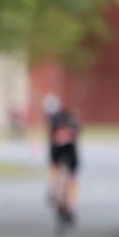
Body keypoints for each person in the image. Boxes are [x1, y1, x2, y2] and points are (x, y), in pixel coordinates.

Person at [42, 93, 81, 225]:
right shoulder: (71, 118)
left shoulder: (52, 120)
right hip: (70, 150)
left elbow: (51, 139)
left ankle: (52, 189)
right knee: (72, 178)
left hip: (57, 150)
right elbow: (77, 138)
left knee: (53, 167)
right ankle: (71, 206)